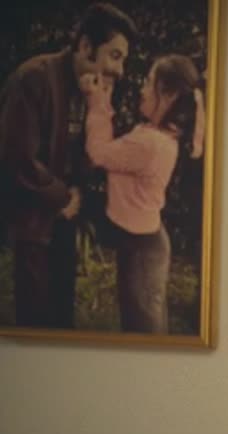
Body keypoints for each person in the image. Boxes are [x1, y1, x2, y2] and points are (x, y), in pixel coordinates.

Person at [0, 3, 136, 328]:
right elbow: (17, 157)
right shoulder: (34, 78)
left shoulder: (90, 88)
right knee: (35, 319)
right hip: (33, 220)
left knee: (62, 314)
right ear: (86, 46)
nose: (120, 71)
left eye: (123, 60)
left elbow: (88, 155)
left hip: (66, 219)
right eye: (115, 56)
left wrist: (98, 105)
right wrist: (63, 197)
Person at [80, 54, 204, 333]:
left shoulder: (150, 143)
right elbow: (114, 152)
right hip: (142, 242)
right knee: (143, 323)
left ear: (169, 95)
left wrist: (97, 102)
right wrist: (104, 101)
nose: (142, 89)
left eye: (149, 82)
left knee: (143, 330)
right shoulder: (158, 135)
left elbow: (98, 153)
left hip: (141, 249)